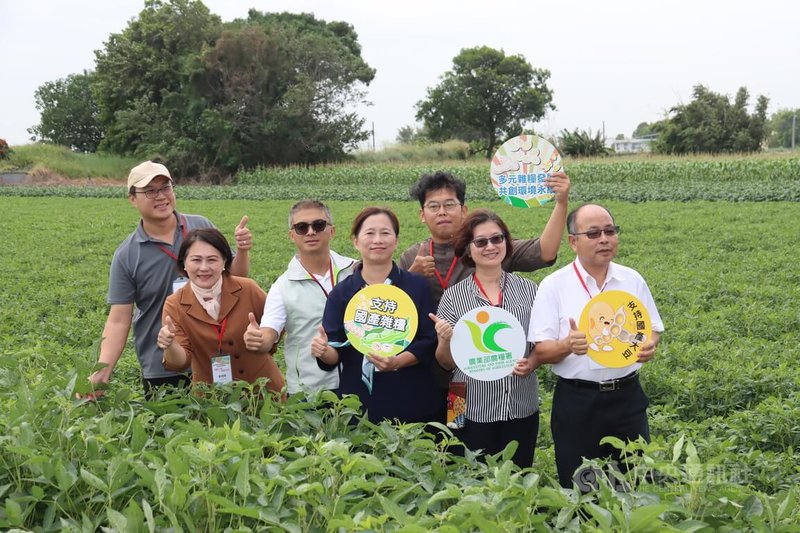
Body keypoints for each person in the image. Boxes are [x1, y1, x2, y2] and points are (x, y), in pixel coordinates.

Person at [81, 161, 252, 399]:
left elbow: (236, 280)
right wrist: (103, 369)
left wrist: (242, 251)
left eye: (165, 187)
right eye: (150, 191)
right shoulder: (127, 255)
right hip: (162, 366)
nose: (160, 196)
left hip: (216, 359)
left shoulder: (201, 227)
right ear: (132, 199)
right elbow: (119, 320)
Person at [528, 204, 664, 489]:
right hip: (578, 401)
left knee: (635, 481)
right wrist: (567, 344)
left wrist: (650, 344)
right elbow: (540, 351)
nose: (604, 239)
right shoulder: (554, 286)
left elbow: (652, 328)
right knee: (580, 485)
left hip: (627, 397)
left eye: (610, 231)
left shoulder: (631, 279)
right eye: (593, 233)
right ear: (573, 241)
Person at [310, 207, 444, 423]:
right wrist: (324, 350)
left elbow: (428, 340)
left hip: (414, 399)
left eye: (385, 233)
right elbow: (334, 352)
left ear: (396, 240)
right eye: (369, 233)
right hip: (359, 404)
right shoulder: (343, 293)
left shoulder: (416, 286)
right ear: (356, 241)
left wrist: (398, 361)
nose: (378, 240)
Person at [431, 210, 540, 469]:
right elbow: (445, 363)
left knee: (518, 476)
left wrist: (533, 362)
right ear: (468, 249)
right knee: (466, 477)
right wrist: (444, 340)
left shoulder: (530, 290)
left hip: (520, 401)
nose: (490, 246)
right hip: (462, 403)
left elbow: (541, 345)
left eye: (497, 239)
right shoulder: (453, 296)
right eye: (481, 242)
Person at [398, 170, 570, 306]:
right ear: (422, 214)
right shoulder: (411, 257)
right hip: (430, 348)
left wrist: (561, 203)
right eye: (433, 206)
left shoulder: (487, 246)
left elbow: (545, 251)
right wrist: (411, 277)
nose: (442, 211)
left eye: (449, 205)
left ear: (463, 210)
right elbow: (391, 307)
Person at [243, 200, 356, 395]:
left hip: (359, 382)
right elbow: (269, 332)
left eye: (318, 225)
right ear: (291, 235)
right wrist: (259, 339)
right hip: (310, 390)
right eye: (301, 227)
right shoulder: (282, 286)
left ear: (332, 231)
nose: (311, 232)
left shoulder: (356, 270)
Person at [157, 229, 284, 394]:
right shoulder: (175, 304)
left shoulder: (248, 288)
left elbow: (277, 326)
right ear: (184, 264)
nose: (204, 268)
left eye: (212, 260)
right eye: (196, 260)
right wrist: (170, 344)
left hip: (265, 394)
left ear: (224, 262)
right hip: (213, 401)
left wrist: (264, 338)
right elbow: (179, 362)